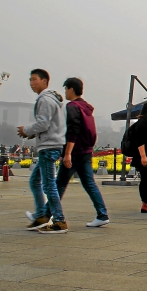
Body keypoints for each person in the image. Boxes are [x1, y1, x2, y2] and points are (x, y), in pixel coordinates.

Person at [55, 77, 110, 228]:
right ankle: (102, 214)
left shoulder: (72, 107)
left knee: (59, 184)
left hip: (75, 151)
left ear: (71, 89)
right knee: (89, 184)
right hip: (86, 151)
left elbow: (73, 130)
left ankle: (46, 214)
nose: (65, 92)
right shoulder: (86, 107)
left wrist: (67, 154)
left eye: (66, 89)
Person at [19, 69, 68, 233]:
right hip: (50, 144)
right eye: (30, 80)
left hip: (49, 146)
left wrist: (26, 130)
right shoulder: (52, 99)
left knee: (48, 186)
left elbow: (43, 124)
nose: (31, 83)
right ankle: (41, 216)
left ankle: (60, 221)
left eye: (34, 79)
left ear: (45, 81)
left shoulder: (45, 100)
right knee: (35, 181)